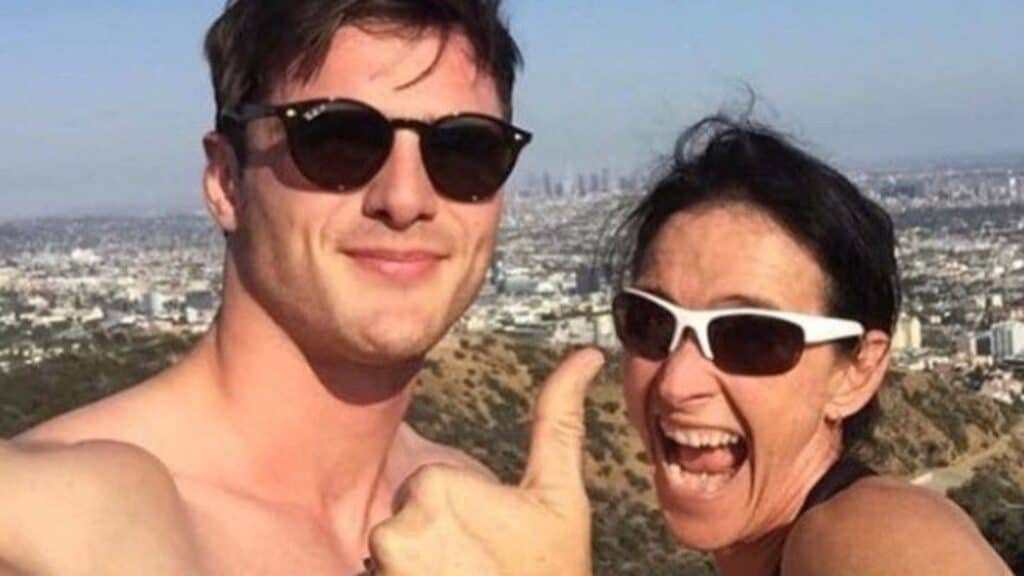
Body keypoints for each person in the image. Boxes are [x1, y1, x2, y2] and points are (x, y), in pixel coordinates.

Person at [1, 1, 598, 574]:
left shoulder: (471, 515)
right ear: (225, 181)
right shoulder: (70, 521)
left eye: (465, 149)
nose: (406, 199)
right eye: (336, 141)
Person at [370, 116, 1013, 575]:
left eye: (751, 338)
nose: (677, 380)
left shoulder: (868, 535)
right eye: (651, 323)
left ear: (857, 372)